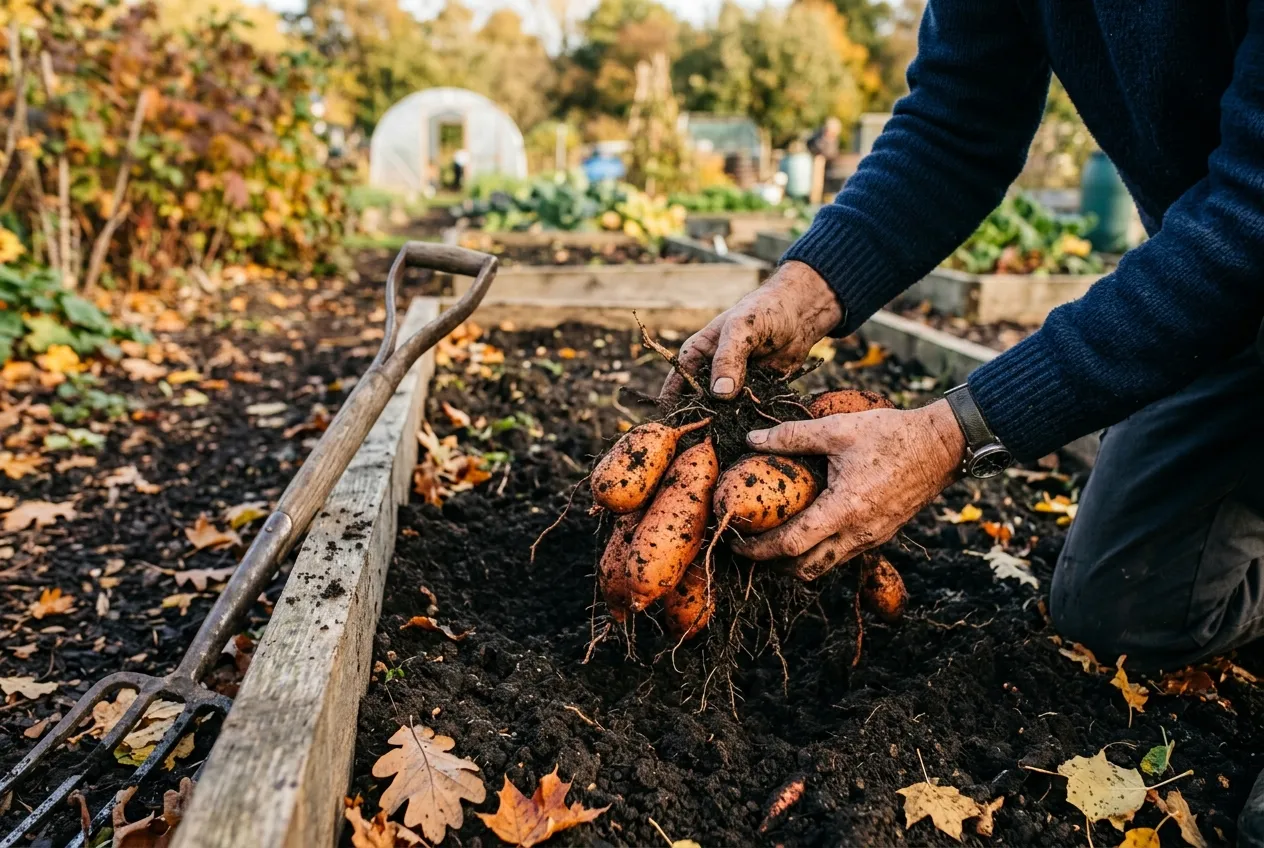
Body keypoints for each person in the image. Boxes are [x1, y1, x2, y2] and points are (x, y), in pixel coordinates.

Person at [661, 2, 1264, 841]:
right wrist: (807, 286)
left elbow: (1252, 218)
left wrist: (954, 431)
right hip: (1231, 298)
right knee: (1121, 610)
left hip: (1247, 248)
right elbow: (956, 120)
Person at [806, 116, 847, 195]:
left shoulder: (834, 139)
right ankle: (816, 196)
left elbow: (833, 152)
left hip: (829, 163)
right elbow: (818, 149)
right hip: (819, 162)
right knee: (819, 162)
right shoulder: (819, 138)